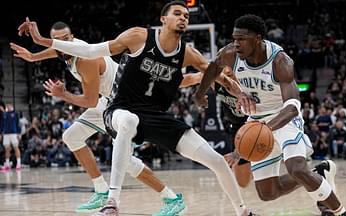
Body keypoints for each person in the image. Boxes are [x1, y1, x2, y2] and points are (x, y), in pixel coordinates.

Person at [19, 1, 257, 216]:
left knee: (216, 160)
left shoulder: (187, 53)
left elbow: (216, 74)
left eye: (186, 15)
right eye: (177, 13)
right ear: (163, 19)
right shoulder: (138, 37)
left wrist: (241, 93)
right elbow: (90, 50)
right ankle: (111, 201)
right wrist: (39, 45)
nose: (184, 17)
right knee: (125, 123)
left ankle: (243, 211)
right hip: (119, 107)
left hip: (155, 114)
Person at [12, 21, 206, 215]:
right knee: (71, 136)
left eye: (65, 39)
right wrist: (32, 57)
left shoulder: (84, 59)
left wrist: (63, 95)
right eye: (58, 41)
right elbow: (57, 50)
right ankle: (101, 190)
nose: (62, 43)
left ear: (71, 38)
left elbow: (89, 100)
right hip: (106, 103)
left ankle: (171, 199)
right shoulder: (65, 49)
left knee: (126, 162)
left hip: (124, 105)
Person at [194, 14, 346, 216]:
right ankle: (319, 174)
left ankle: (341, 212)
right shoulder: (230, 54)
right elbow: (213, 67)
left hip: (284, 117)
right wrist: (200, 94)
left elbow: (293, 107)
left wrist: (264, 129)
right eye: (235, 38)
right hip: (257, 120)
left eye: (242, 39)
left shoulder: (280, 61)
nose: (236, 44)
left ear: (258, 39)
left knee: (296, 168)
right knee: (268, 193)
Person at [0, 103, 22, 171]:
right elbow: (2, 124)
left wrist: (19, 133)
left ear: (11, 106)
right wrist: (1, 133)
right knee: (7, 149)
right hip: (6, 134)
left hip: (14, 133)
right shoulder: (4, 114)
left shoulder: (15, 113)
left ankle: (19, 164)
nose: (8, 107)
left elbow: (18, 123)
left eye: (9, 106)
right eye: (7, 106)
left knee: (16, 147)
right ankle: (7, 164)